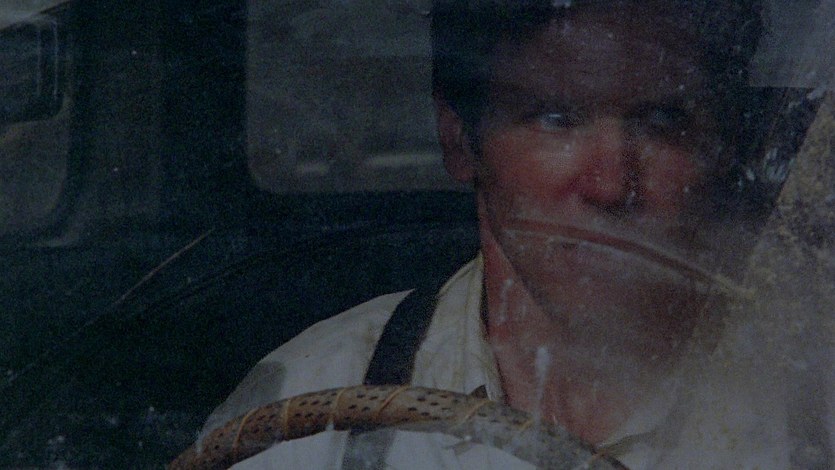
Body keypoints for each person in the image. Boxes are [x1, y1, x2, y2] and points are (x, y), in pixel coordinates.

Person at [195, 1, 826, 468]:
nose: (610, 184)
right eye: (556, 118)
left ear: (724, 147)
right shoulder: (307, 412)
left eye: (663, 121)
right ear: (458, 139)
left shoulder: (813, 402)